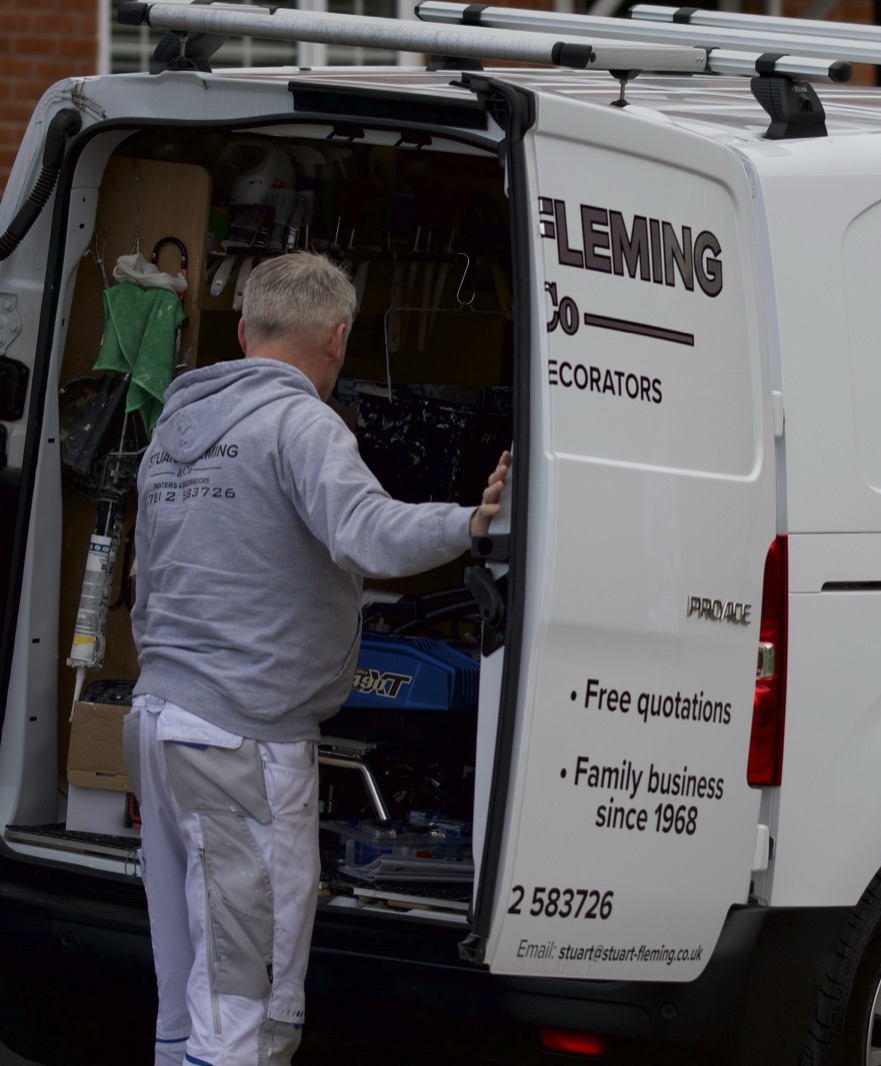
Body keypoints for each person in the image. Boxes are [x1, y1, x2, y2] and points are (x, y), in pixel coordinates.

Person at [124, 252, 508, 1066]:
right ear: (338, 338)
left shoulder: (174, 432)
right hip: (239, 740)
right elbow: (369, 531)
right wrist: (472, 523)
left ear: (242, 328)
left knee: (186, 987)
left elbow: (144, 582)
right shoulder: (300, 424)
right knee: (243, 1002)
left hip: (158, 724)